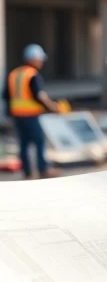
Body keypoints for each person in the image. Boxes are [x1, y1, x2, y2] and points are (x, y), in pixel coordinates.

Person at [2, 44, 62, 180]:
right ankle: (42, 169)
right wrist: (52, 107)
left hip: (17, 116)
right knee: (39, 142)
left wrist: (8, 114)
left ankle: (27, 172)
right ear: (33, 59)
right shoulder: (32, 75)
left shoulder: (14, 73)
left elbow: (6, 95)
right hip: (30, 115)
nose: (41, 62)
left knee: (23, 144)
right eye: (39, 59)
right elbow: (39, 96)